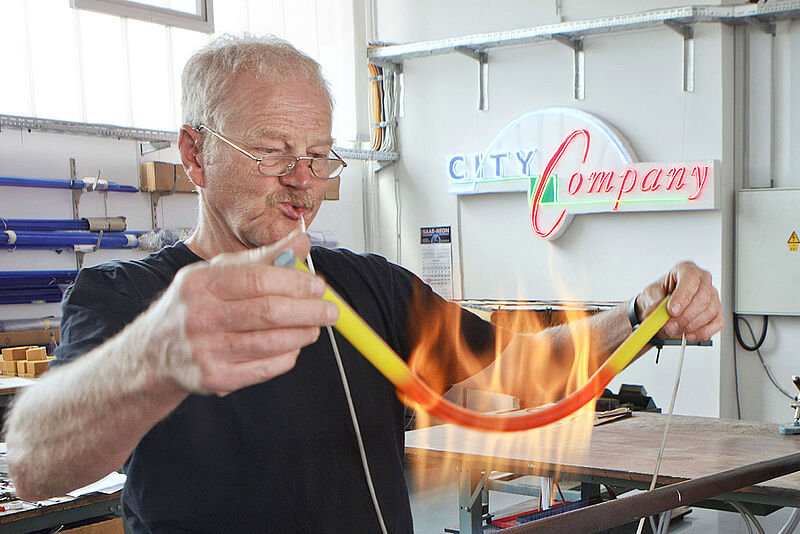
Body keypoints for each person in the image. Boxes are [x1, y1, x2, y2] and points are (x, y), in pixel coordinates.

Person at [5, 34, 723, 533]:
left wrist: (636, 313)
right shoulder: (127, 298)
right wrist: (155, 356)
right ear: (194, 154)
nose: (302, 179)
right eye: (271, 151)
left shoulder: (369, 288)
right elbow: (36, 464)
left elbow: (523, 370)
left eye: (318, 155)